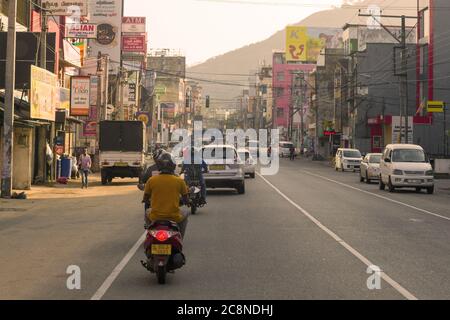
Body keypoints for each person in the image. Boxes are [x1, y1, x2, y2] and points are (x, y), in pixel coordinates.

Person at [143, 151, 189, 237]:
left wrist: (145, 200)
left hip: (155, 216)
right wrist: (187, 202)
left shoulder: (151, 180)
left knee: (147, 211)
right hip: (174, 216)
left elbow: (145, 197)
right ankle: (180, 236)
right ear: (173, 166)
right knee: (185, 213)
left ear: (159, 165)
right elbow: (186, 198)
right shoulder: (179, 181)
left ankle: (150, 231)